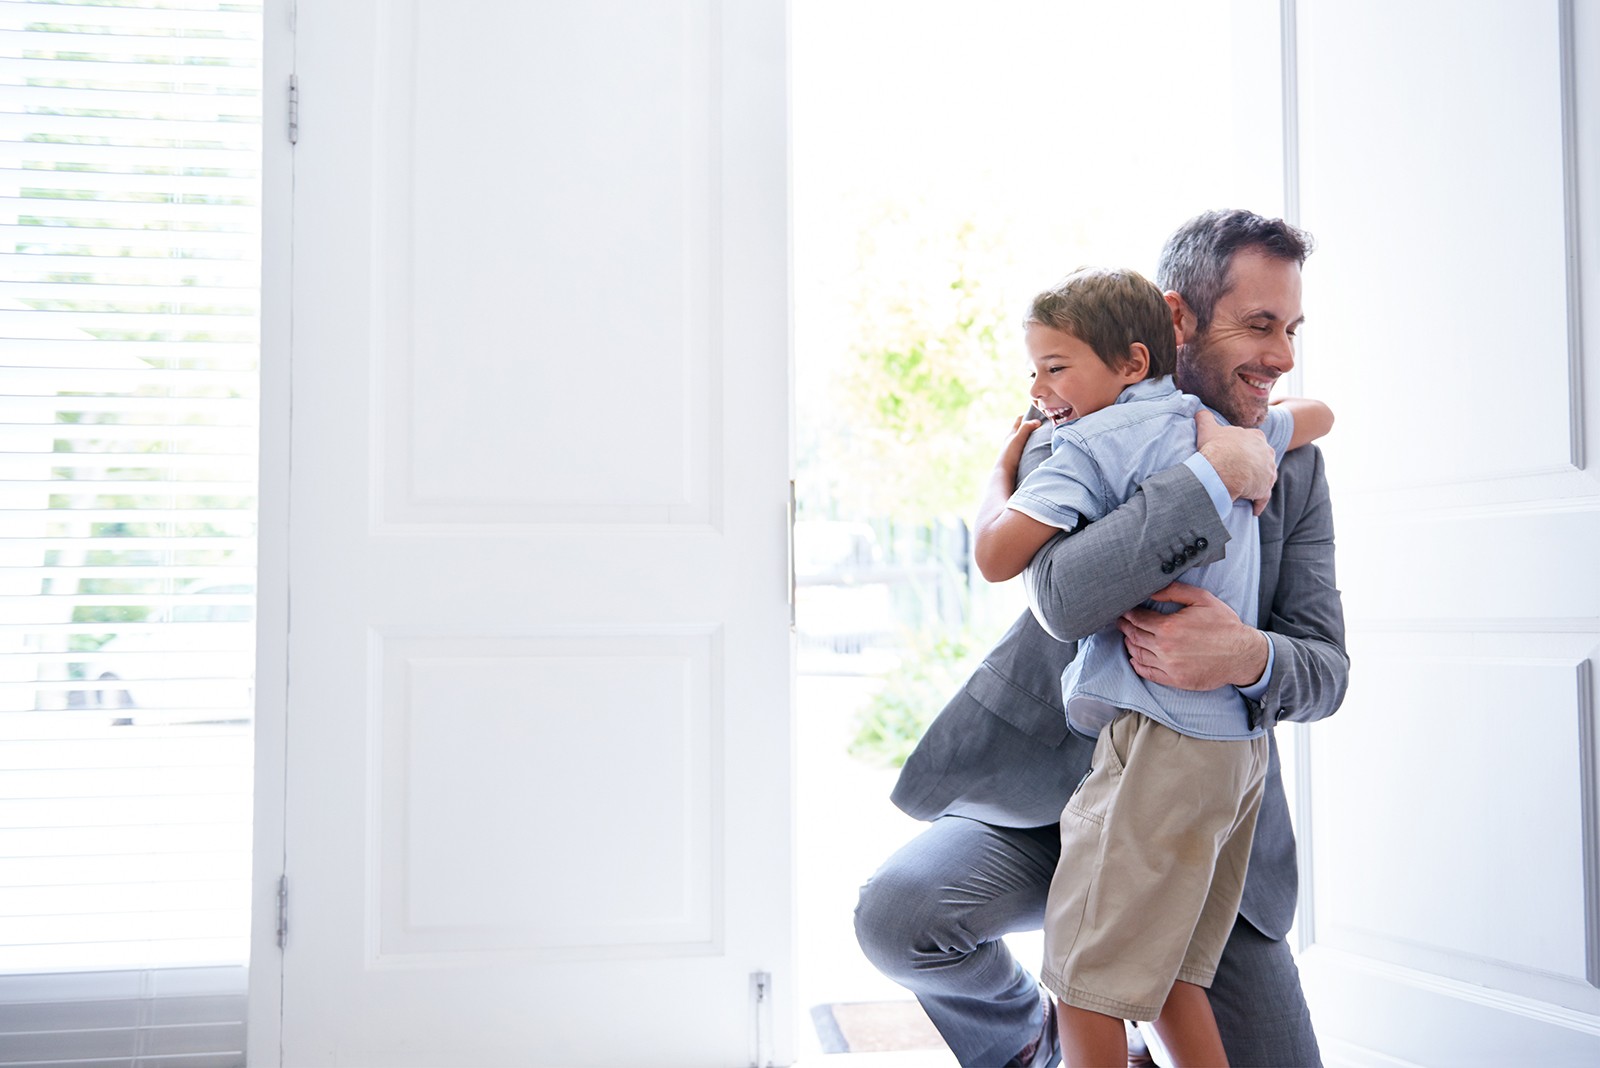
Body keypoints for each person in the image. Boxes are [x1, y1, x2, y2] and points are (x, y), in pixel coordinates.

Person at [853, 209, 1348, 1068]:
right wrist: (1209, 477)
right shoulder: (1077, 427)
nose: (1282, 355)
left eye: (1292, 329)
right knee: (900, 916)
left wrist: (1247, 654)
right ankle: (1037, 1047)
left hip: (1196, 818)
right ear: (1178, 318)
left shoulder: (1290, 464)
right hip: (1055, 796)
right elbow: (1060, 594)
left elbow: (1328, 669)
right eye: (1259, 326)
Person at [970, 266, 1331, 1065]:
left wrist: (1002, 468)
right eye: (1035, 368)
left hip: (1159, 747)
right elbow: (1319, 414)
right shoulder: (1209, 424)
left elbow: (997, 556)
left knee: (1083, 978)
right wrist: (1229, 451)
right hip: (1236, 755)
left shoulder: (1084, 445)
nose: (1039, 389)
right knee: (1168, 976)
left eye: (1055, 367)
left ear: (1132, 362)